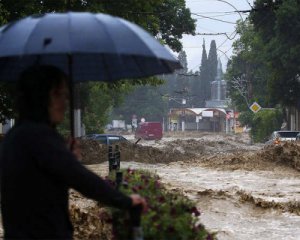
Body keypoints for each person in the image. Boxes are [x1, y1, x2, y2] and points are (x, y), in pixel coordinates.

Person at [0, 65, 147, 239]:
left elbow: (42, 185)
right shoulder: (40, 137)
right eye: (59, 94)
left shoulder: (14, 137)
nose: (65, 103)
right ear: (42, 97)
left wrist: (66, 158)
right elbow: (82, 180)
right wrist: (127, 201)